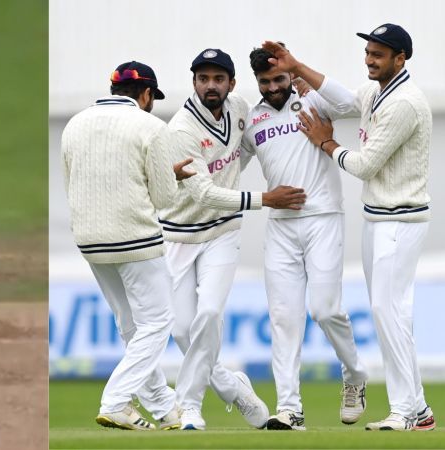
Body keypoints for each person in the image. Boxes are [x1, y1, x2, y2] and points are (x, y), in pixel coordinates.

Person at [261, 22, 435, 431]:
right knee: (393, 314)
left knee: (386, 310)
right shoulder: (377, 92)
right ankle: (420, 410)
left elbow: (363, 165)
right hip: (379, 218)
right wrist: (298, 66)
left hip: (401, 218)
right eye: (368, 53)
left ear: (400, 59)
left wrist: (326, 142)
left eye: (378, 55)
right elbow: (343, 98)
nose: (369, 60)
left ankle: (405, 411)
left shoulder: (403, 103)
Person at [161, 48, 306, 431]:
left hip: (222, 233)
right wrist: (265, 199)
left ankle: (188, 406)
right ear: (194, 82)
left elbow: (240, 152)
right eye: (203, 79)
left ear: (231, 83)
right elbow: (205, 194)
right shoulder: (181, 130)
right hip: (179, 234)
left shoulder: (240, 109)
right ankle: (230, 385)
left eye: (218, 79)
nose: (211, 85)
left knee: (209, 314)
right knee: (180, 329)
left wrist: (303, 90)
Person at [60, 61, 195, 431]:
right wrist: (174, 176)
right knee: (157, 321)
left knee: (131, 325)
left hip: (89, 239)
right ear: (146, 94)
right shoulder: (151, 126)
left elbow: (70, 181)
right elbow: (165, 198)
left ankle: (163, 406)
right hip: (135, 238)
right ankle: (116, 401)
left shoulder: (75, 123)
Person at [241, 45, 369, 431]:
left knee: (325, 309)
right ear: (257, 83)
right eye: (265, 82)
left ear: (288, 75)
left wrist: (299, 68)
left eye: (279, 79)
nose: (273, 87)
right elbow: (230, 168)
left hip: (323, 218)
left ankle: (355, 376)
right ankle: (289, 408)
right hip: (280, 225)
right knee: (283, 318)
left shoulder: (313, 99)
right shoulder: (253, 120)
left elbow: (352, 103)